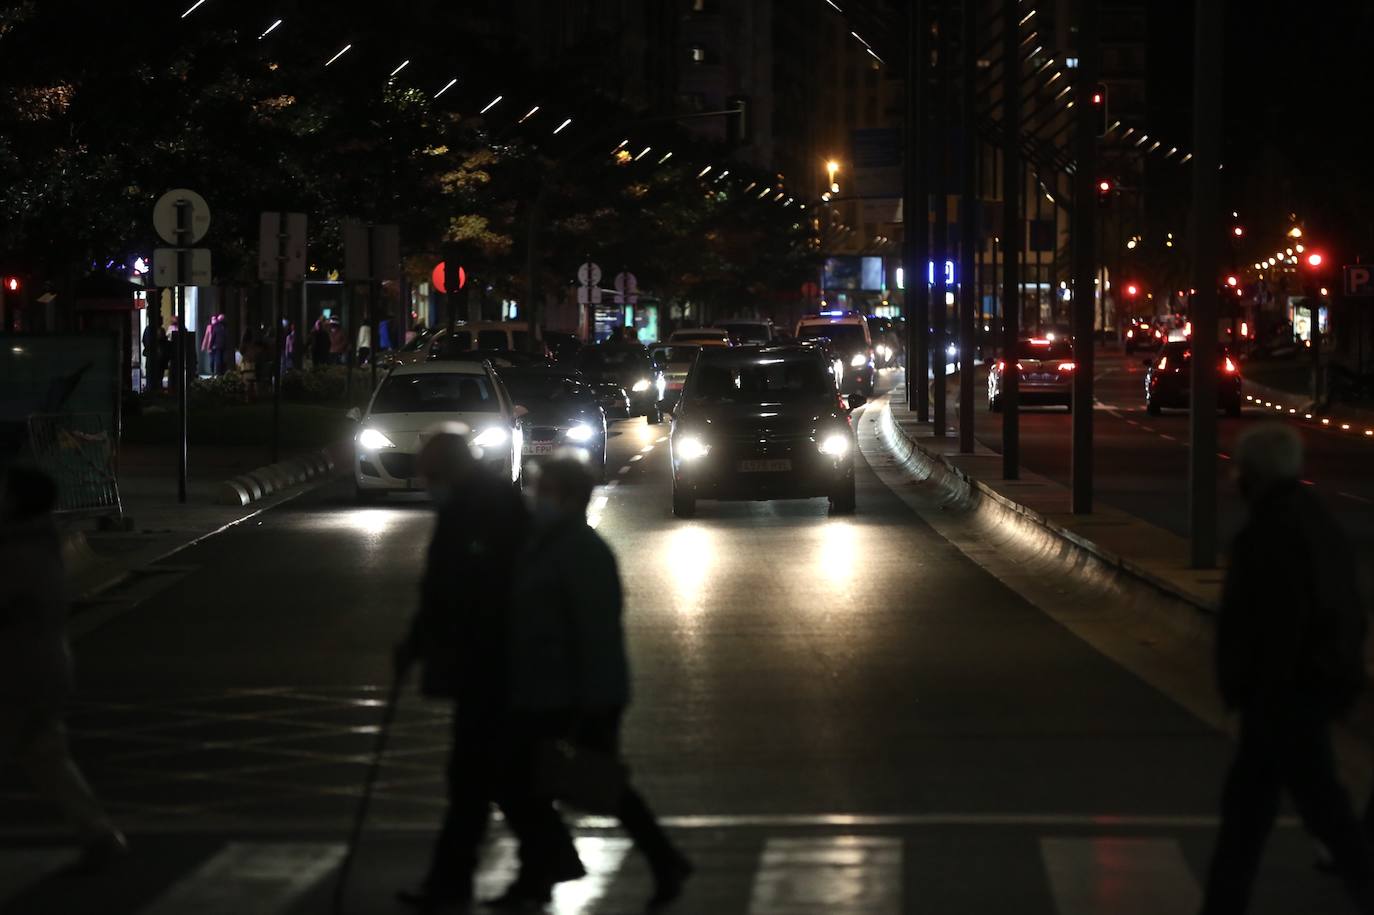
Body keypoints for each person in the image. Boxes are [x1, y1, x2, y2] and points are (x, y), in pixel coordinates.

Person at [395, 431, 581, 913]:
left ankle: (465, 881)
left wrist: (428, 642)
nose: (426, 483)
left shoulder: (483, 508)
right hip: (490, 664)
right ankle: (539, 863)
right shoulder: (476, 502)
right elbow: (443, 589)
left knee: (478, 778)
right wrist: (418, 642)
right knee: (494, 778)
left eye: (432, 474)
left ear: (452, 469)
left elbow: (466, 589)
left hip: (496, 664)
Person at [503, 455, 692, 909]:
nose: (535, 498)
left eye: (544, 491)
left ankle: (659, 860)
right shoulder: (546, 543)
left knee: (583, 784)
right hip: (545, 688)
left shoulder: (581, 551)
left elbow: (594, 632)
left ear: (568, 497)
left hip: (575, 693)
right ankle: (539, 877)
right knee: (532, 783)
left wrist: (592, 703)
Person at [1200, 423, 1374, 914]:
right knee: (1274, 812)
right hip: (1300, 691)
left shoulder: (1268, 534)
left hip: (1284, 698)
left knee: (1301, 810)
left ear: (1252, 475)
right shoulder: (1314, 522)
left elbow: (1276, 624)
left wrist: (1254, 690)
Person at [0, 466, 127, 872]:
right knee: (45, 752)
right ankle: (97, 831)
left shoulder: (17, 551)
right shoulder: (44, 541)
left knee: (41, 749)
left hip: (18, 665)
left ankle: (98, 832)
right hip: (47, 660)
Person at [141, 311, 164, 393]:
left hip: (151, 356)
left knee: (150, 376)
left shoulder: (148, 329)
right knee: (157, 376)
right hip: (157, 357)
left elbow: (143, 340)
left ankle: (150, 391)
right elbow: (163, 342)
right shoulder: (160, 330)